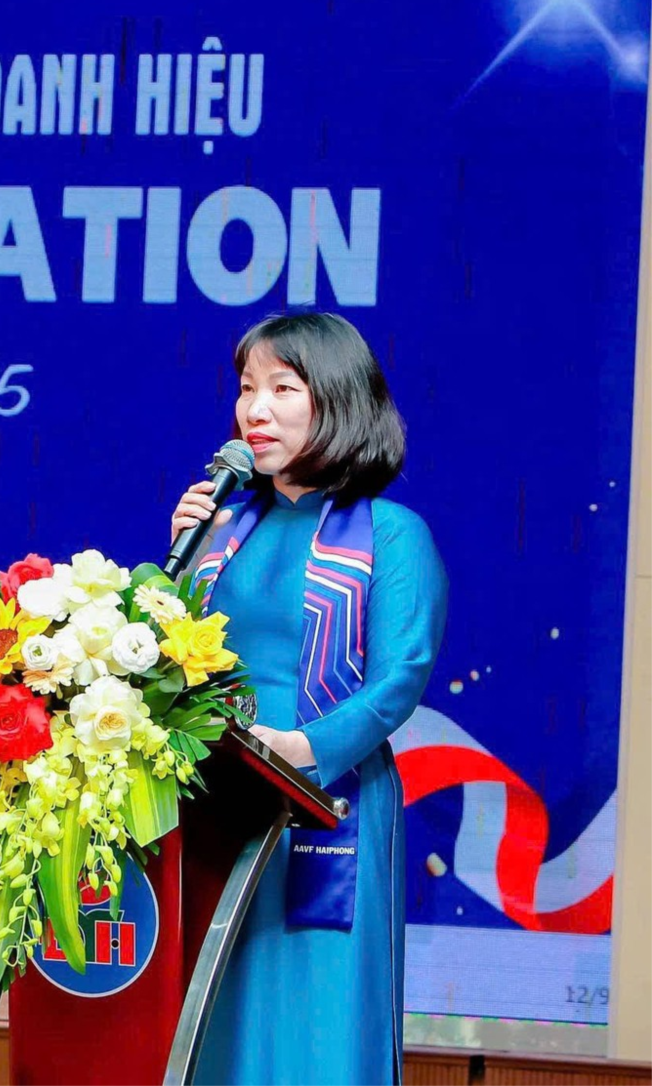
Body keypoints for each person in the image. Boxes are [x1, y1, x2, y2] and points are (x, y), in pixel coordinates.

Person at [168, 312, 445, 1086]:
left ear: (339, 398)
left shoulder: (391, 533)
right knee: (213, 1012)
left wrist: (303, 748)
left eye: (282, 388)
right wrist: (176, 559)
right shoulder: (221, 530)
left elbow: (400, 678)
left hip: (325, 799)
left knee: (314, 1021)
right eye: (246, 388)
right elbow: (164, 660)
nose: (254, 409)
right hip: (219, 799)